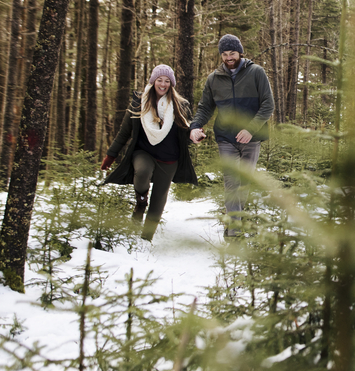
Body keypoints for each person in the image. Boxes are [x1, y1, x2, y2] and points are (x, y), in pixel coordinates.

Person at [189, 34, 275, 237]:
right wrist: (195, 126)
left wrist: (250, 129)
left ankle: (234, 222)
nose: (229, 57)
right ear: (221, 55)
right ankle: (235, 233)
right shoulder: (214, 79)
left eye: (232, 53)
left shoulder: (256, 72)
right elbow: (205, 108)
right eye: (225, 54)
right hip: (226, 138)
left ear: (240, 53)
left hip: (251, 139)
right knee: (231, 182)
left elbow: (267, 105)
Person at [101, 65, 198, 241]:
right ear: (153, 81)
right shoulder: (139, 102)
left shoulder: (180, 105)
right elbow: (124, 132)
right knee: (142, 171)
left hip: (169, 158)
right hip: (144, 152)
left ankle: (146, 238)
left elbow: (187, 131)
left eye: (167, 81)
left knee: (159, 201)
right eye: (159, 80)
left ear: (171, 84)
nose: (163, 84)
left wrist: (195, 136)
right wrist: (111, 155)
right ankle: (140, 200)